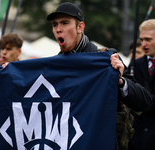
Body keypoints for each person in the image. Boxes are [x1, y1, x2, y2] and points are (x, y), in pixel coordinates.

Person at [46, 2, 152, 149]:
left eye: (64, 23)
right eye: (55, 25)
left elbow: (144, 101)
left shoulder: (105, 59)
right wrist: (10, 73)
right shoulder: (54, 66)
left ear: (80, 27)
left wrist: (120, 82)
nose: (58, 29)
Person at [128, 19, 155, 150]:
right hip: (137, 138)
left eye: (148, 39)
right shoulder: (135, 64)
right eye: (142, 39)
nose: (143, 44)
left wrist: (141, 101)